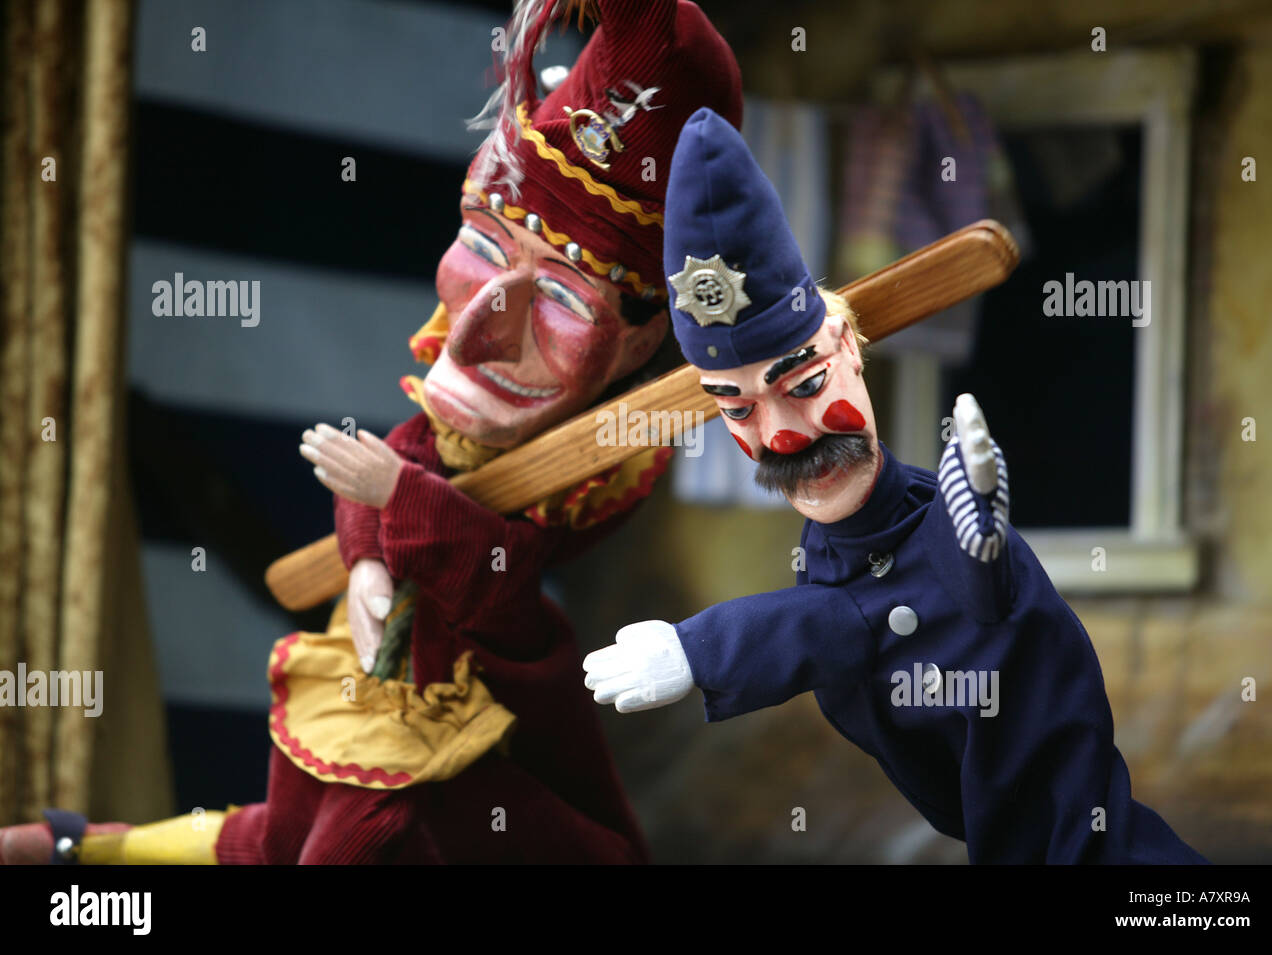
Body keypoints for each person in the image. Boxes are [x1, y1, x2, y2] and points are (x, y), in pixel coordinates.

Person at [0, 0, 742, 865]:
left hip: (465, 694)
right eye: (484, 248)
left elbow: (500, 568)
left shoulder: (585, 478)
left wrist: (396, 499)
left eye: (567, 301)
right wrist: (365, 553)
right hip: (379, 672)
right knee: (282, 828)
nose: (479, 332)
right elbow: (408, 454)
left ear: (645, 343)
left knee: (369, 822)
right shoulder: (443, 426)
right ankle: (75, 853)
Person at [581, 107, 1207, 864]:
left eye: (805, 382)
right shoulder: (839, 551)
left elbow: (856, 617)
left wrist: (703, 648)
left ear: (846, 345)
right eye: (737, 406)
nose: (784, 435)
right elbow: (842, 616)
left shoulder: (925, 536)